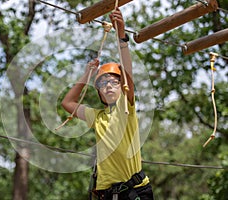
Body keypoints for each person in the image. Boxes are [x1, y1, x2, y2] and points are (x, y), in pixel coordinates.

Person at [61, 8, 154, 200]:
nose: (109, 86)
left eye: (114, 82)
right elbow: (67, 102)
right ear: (100, 93)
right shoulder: (96, 117)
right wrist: (87, 74)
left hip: (133, 192)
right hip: (107, 194)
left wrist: (122, 35)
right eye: (103, 83)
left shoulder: (125, 108)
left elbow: (128, 73)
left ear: (122, 87)